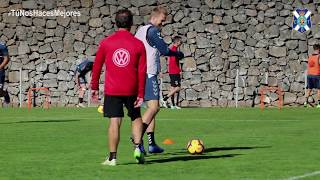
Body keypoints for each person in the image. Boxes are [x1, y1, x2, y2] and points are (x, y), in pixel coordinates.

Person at [91, 9, 147, 166]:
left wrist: (94, 86)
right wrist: (141, 93)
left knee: (115, 121)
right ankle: (137, 148)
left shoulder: (106, 42)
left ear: (116, 23)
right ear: (131, 24)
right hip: (132, 89)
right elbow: (142, 71)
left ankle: (112, 158)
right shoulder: (138, 44)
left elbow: (97, 66)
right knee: (136, 117)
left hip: (113, 89)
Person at [135, 6, 184, 153]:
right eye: (162, 21)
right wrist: (178, 54)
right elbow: (164, 50)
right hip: (149, 73)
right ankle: (137, 139)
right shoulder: (153, 30)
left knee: (151, 109)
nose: (162, 24)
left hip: (139, 72)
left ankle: (151, 144)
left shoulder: (140, 30)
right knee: (154, 108)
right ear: (155, 17)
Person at [162, 36, 183, 109]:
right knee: (178, 87)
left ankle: (173, 105)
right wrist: (179, 71)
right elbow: (173, 61)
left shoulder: (174, 49)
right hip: (174, 71)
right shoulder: (174, 50)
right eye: (180, 41)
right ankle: (165, 98)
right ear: (177, 42)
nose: (181, 42)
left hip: (173, 71)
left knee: (173, 88)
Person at [0, 41, 10, 106]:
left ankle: (5, 93)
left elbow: (6, 59)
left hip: (0, 71)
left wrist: (0, 67)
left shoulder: (2, 46)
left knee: (0, 92)